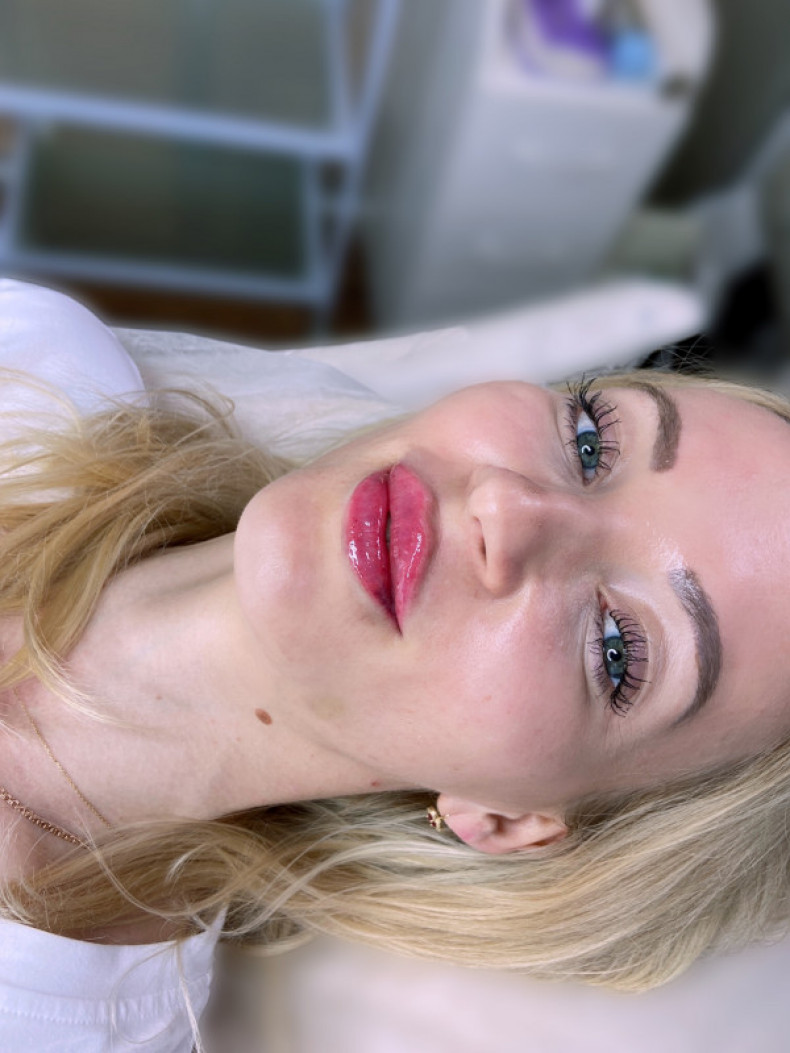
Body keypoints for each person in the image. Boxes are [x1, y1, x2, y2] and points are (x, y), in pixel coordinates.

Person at [2, 279, 790, 1049]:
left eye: (618, 648)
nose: (506, 507)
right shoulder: (35, 359)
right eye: (593, 442)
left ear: (510, 821)